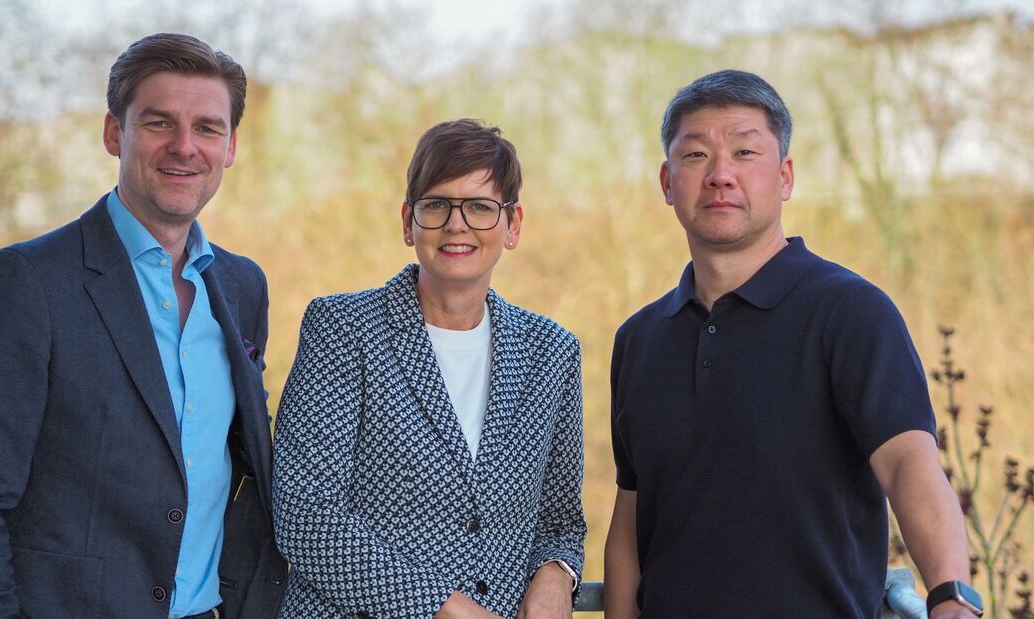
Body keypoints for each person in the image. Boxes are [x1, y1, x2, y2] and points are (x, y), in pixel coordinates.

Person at [603, 70, 981, 618]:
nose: (720, 176)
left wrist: (951, 598)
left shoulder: (851, 311)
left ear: (784, 177)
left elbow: (908, 465)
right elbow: (631, 520)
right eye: (696, 156)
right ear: (667, 181)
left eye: (745, 152)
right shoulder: (640, 338)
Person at [0, 33, 287, 618]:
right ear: (113, 133)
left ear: (229, 147)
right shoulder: (25, 283)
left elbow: (236, 470)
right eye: (157, 123)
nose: (184, 147)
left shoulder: (243, 286)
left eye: (207, 128)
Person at [273, 118, 586, 618]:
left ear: (514, 225)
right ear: (407, 222)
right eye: (436, 204)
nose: (456, 224)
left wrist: (557, 573)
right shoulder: (343, 329)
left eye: (481, 207)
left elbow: (560, 522)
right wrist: (443, 608)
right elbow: (306, 516)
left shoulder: (552, 352)